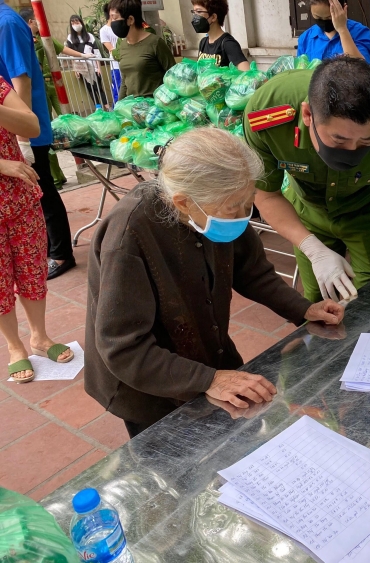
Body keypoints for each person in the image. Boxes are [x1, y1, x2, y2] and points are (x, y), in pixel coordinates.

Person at [85, 128, 345, 438]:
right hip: (147, 384)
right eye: (233, 207)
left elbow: (253, 272)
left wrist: (303, 309)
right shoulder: (129, 235)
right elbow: (123, 348)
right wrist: (208, 380)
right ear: (183, 203)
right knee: (174, 462)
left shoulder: (217, 208)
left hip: (206, 352)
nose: (242, 215)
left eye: (247, 203)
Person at [244, 57, 370, 302]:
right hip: (309, 211)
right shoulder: (267, 115)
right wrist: (312, 249)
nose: (352, 151)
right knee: (318, 299)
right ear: (308, 115)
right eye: (339, 141)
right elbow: (266, 194)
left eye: (366, 142)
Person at [0, 76, 75, 383]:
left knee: (32, 269)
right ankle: (14, 346)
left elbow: (31, 126)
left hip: (19, 198)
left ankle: (39, 337)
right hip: (10, 178)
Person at [0, 0, 76, 280]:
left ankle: (60, 253)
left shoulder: (6, 23)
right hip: (9, 127)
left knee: (41, 189)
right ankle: (43, 248)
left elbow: (21, 81)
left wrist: (22, 139)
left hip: (25, 128)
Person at [18, 7, 79, 189]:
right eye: (36, 20)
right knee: (44, 133)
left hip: (51, 84)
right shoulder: (22, 37)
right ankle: (56, 176)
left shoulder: (43, 38)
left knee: (63, 121)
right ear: (30, 22)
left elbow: (62, 49)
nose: (39, 24)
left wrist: (84, 56)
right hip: (38, 90)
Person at [109, 0, 175, 99]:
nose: (111, 23)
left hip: (154, 109)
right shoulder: (122, 45)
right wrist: (119, 106)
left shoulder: (155, 43)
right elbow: (125, 80)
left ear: (130, 19)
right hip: (132, 108)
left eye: (114, 18)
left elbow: (173, 75)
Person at [296, 0, 370, 64]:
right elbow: (301, 71)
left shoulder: (360, 32)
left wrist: (342, 29)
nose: (324, 21)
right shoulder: (305, 38)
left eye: (329, 17)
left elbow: (362, 69)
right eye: (317, 17)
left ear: (343, 9)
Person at [191, 0, 250, 70]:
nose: (195, 17)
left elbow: (246, 73)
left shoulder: (228, 43)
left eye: (199, 11)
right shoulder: (203, 42)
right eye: (194, 12)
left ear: (213, 17)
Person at [65, 15, 108, 109]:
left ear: (81, 23)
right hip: (81, 67)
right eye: (72, 23)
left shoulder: (90, 36)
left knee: (98, 86)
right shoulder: (70, 38)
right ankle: (98, 107)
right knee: (89, 87)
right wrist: (75, 69)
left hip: (93, 66)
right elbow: (71, 55)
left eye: (77, 22)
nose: (75, 25)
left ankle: (107, 106)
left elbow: (96, 52)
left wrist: (99, 68)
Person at [99, 3, 122, 104]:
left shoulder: (122, 26)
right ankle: (117, 109)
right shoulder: (104, 30)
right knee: (118, 88)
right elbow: (110, 48)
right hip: (116, 63)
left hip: (126, 61)